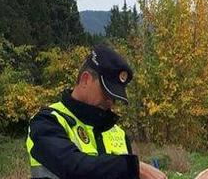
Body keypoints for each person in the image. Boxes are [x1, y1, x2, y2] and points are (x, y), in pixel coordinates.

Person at [26, 44, 166, 179]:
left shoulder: (118, 133)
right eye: (107, 93)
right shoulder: (47, 121)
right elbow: (72, 167)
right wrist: (132, 168)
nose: (111, 102)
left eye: (115, 98)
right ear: (85, 80)